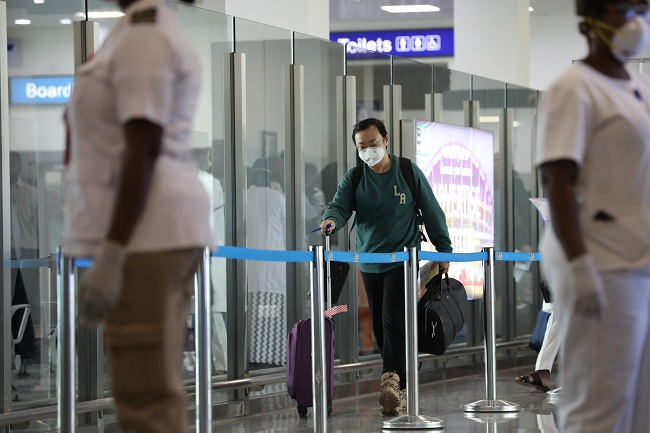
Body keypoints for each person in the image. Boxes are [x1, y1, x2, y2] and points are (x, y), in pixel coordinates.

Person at [64, 0, 212, 431]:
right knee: (144, 391)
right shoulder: (133, 30)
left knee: (145, 399)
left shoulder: (145, 36)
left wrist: (113, 249)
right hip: (148, 233)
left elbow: (144, 141)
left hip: (149, 234)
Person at [537, 1, 650, 432]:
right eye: (626, 9)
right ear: (593, 19)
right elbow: (558, 182)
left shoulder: (638, 87)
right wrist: (581, 264)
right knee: (602, 397)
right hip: (599, 260)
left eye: (642, 8)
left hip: (637, 260)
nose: (638, 20)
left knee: (639, 401)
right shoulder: (574, 88)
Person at [320, 118, 452, 416]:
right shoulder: (355, 178)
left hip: (403, 262)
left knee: (393, 319)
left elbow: (432, 211)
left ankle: (391, 382)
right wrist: (332, 220)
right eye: (362, 147)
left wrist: (445, 250)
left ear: (386, 140)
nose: (368, 151)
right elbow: (339, 206)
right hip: (369, 263)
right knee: (381, 327)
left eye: (373, 144)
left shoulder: (406, 171)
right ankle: (399, 382)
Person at [246, 158, 287, 367]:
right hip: (275, 264)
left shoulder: (244, 196)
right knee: (271, 310)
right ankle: (271, 356)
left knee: (255, 312)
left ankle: (254, 355)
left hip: (250, 267)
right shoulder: (277, 198)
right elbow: (288, 226)